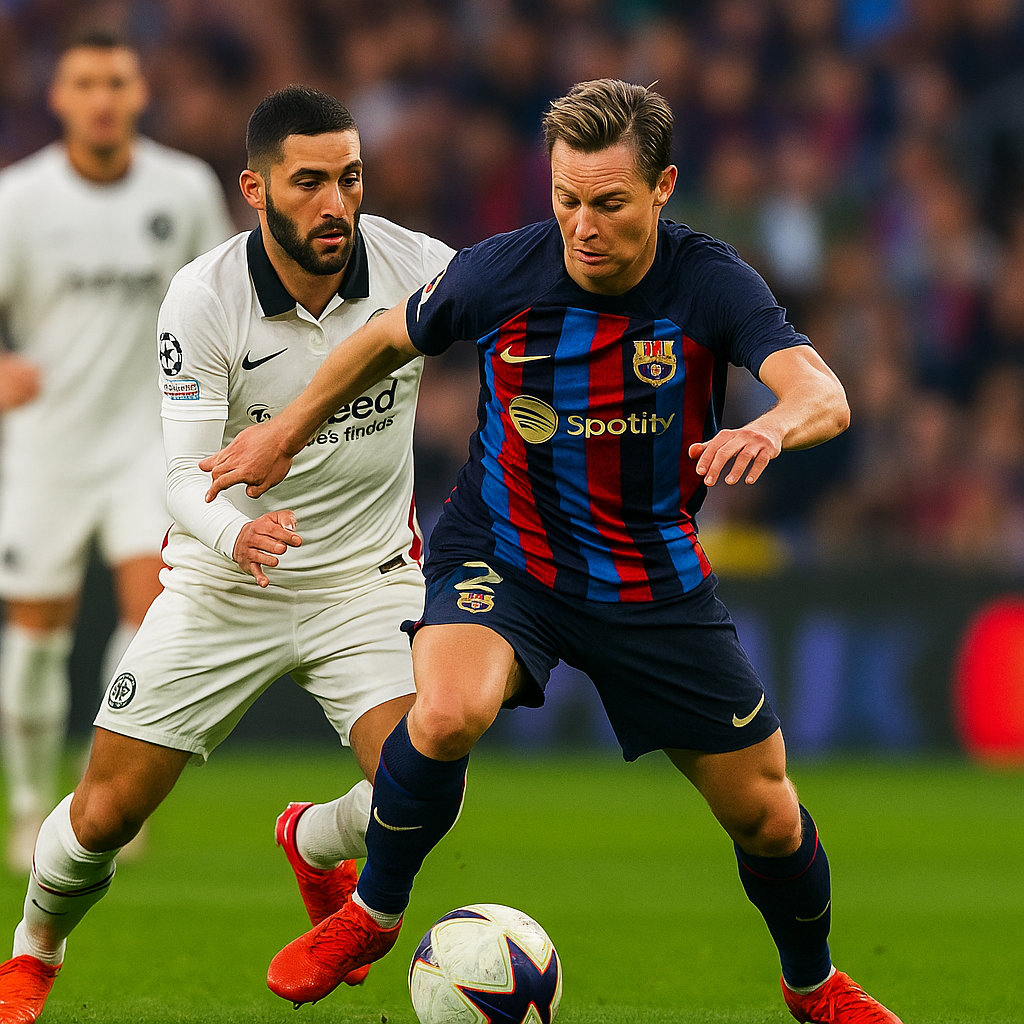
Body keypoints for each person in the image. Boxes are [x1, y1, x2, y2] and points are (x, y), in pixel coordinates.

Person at [202, 80, 904, 1024]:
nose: (582, 225)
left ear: (662, 188)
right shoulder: (502, 272)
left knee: (769, 817)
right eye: (566, 199)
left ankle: (812, 984)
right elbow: (382, 339)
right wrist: (286, 431)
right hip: (506, 554)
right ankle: (371, 913)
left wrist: (772, 426)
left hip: (648, 576)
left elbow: (824, 393)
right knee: (446, 712)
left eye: (608, 202)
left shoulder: (709, 281)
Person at [0, 84, 455, 1023]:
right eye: (309, 182)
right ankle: (34, 948)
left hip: (364, 581)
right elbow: (178, 475)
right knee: (104, 815)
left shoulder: (419, 268)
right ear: (255, 189)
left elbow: (532, 303)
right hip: (221, 584)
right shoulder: (205, 296)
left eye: (350, 178)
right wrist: (233, 531)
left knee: (425, 784)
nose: (336, 204)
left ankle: (315, 840)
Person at [0, 30, 233, 872]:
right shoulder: (19, 200)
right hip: (47, 446)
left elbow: (224, 299)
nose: (103, 97)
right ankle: (29, 803)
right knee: (37, 638)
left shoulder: (185, 188)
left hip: (151, 441)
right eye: (86, 82)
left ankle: (100, 801)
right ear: (59, 98)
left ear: (140, 94)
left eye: (117, 82)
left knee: (150, 622)